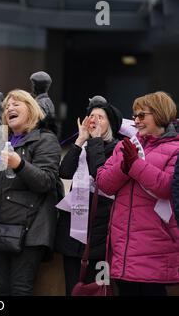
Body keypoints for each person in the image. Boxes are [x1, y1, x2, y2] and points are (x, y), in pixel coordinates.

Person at [97, 91, 179, 296]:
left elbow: (166, 187)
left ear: (160, 114)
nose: (136, 121)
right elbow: (104, 184)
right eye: (134, 116)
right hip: (123, 247)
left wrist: (134, 164)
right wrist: (124, 166)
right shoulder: (126, 145)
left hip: (157, 245)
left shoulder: (175, 148)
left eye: (142, 115)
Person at [0, 89, 61, 296]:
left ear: (31, 109)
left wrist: (20, 165)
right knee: (1, 290)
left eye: (16, 104)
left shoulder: (45, 139)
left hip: (29, 231)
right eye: (7, 106)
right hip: (0, 229)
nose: (9, 108)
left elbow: (47, 181)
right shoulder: (3, 144)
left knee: (19, 290)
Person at [54, 95, 122, 295]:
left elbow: (100, 174)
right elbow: (64, 172)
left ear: (111, 124)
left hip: (100, 232)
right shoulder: (83, 145)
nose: (94, 120)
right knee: (72, 288)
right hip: (74, 230)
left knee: (98, 289)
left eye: (100, 117)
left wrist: (96, 142)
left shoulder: (117, 148)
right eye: (91, 116)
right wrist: (80, 140)